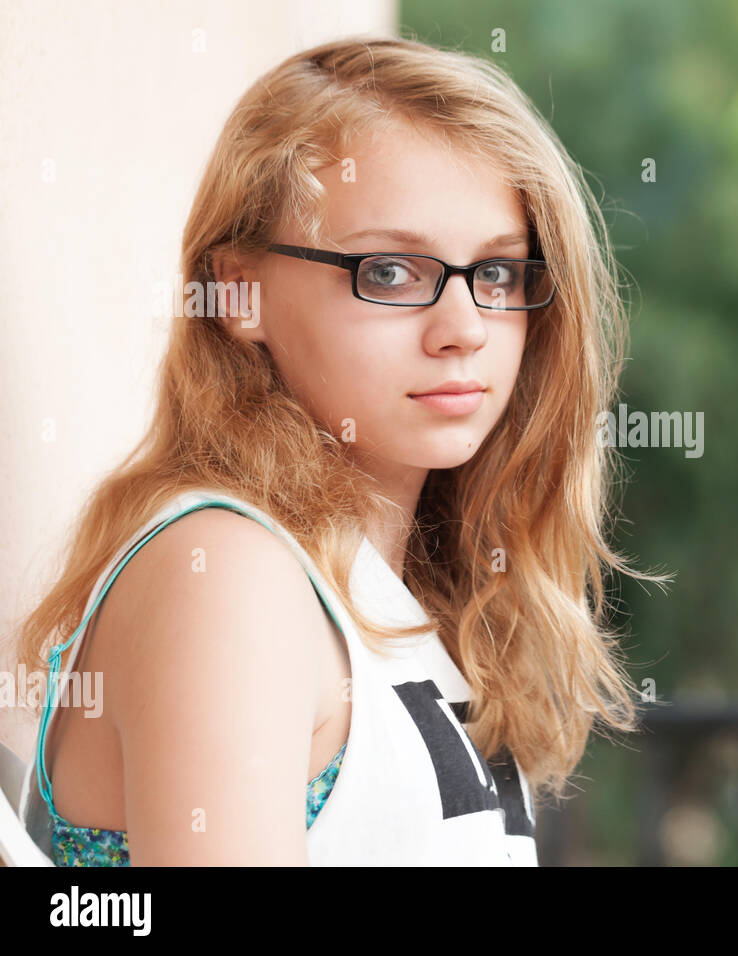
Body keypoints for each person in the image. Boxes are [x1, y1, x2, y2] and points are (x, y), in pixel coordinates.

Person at [12, 35, 667, 866]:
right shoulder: (226, 570)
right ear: (238, 290)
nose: (464, 329)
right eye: (390, 271)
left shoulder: (398, 593)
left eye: (497, 274)